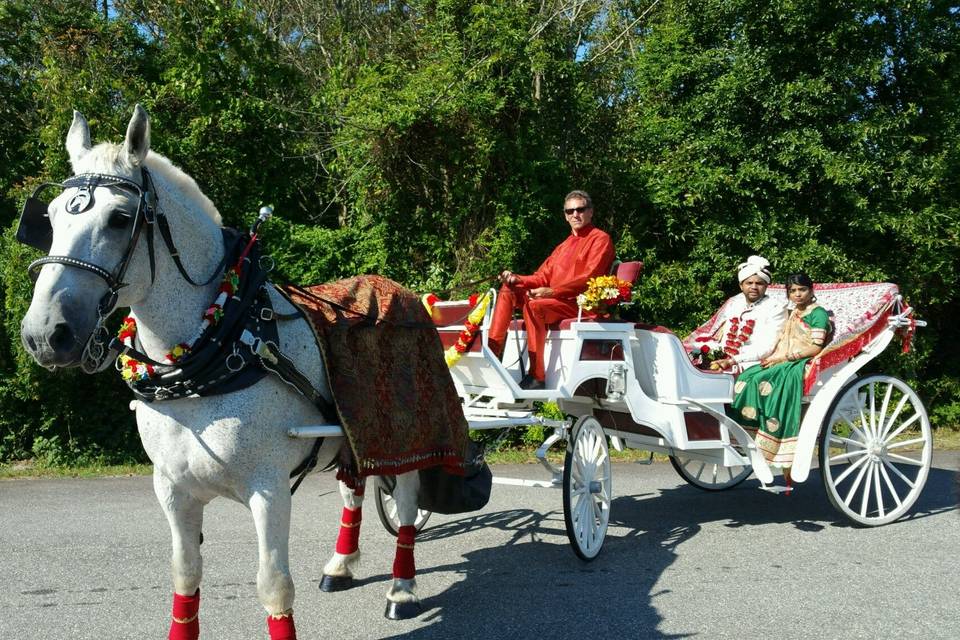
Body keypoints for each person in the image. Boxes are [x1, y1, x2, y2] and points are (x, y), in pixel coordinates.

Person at [488, 190, 615, 390]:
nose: (575, 214)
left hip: (581, 304)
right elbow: (541, 277)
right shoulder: (563, 246)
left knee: (535, 306)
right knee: (508, 289)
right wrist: (516, 278)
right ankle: (492, 355)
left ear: (590, 212)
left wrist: (551, 292)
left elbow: (589, 278)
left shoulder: (600, 239)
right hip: (556, 302)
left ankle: (537, 376)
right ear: (565, 215)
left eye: (580, 209)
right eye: (570, 210)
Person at [729, 273, 830, 489]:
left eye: (801, 290)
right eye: (792, 291)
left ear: (811, 291)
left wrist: (783, 358)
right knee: (747, 377)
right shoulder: (794, 312)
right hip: (783, 357)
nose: (797, 294)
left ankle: (773, 442)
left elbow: (816, 347)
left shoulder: (818, 313)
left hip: (801, 361)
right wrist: (775, 357)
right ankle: (749, 434)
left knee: (767, 380)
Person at [702, 255, 788, 373]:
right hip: (726, 360)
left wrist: (732, 360)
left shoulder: (776, 307)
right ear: (741, 286)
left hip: (754, 364)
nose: (754, 287)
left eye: (759, 283)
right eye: (749, 283)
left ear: (766, 286)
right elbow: (726, 336)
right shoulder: (735, 304)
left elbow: (767, 348)